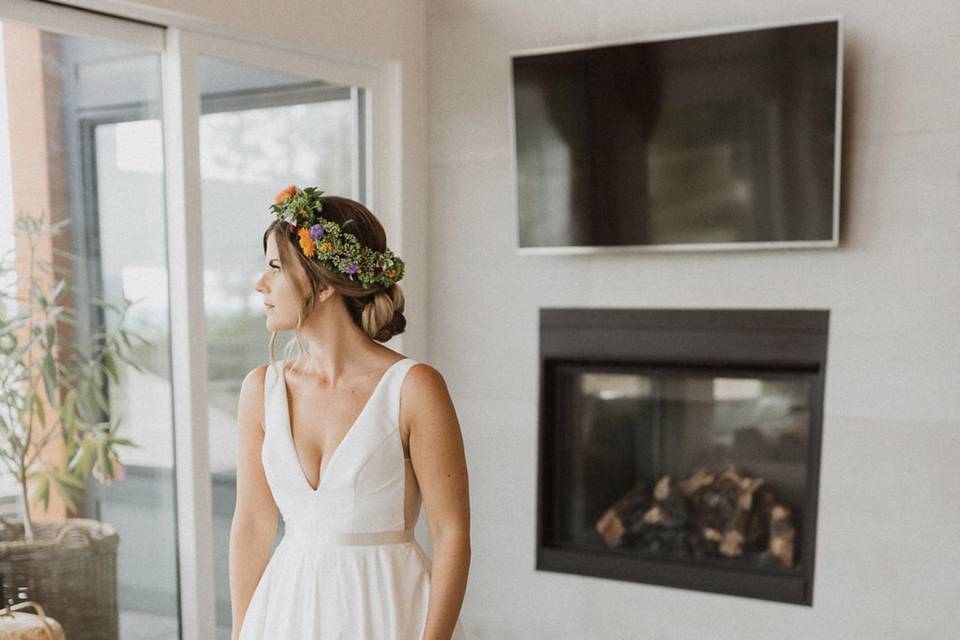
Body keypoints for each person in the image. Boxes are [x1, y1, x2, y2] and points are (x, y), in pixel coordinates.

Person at [229, 185, 470, 639]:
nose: (261, 283)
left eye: (276, 268)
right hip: (287, 612)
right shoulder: (261, 389)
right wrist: (240, 632)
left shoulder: (414, 388)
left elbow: (452, 533)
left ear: (322, 286)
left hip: (388, 610)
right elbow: (253, 525)